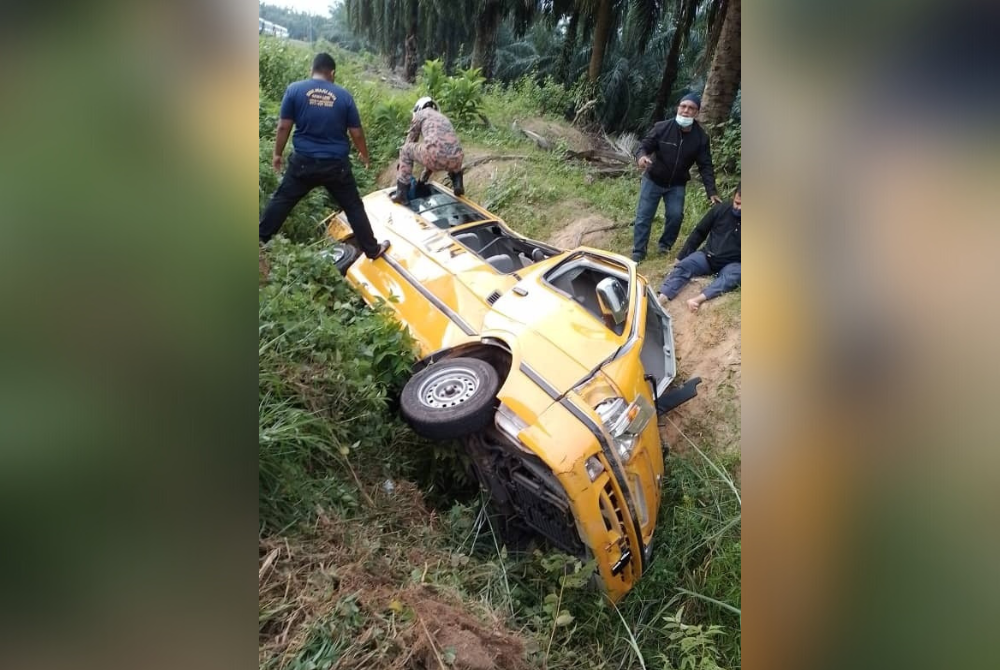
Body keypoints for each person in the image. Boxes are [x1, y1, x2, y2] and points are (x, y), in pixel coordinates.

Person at [259, 53, 389, 260]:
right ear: (332, 73)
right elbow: (356, 132)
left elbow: (284, 126)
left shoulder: (295, 90)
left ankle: (259, 240)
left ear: (313, 69)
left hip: (303, 163)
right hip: (336, 166)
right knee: (353, 206)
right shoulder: (344, 96)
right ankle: (372, 250)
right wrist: (364, 155)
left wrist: (277, 154)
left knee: (282, 199)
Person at [631, 93, 722, 262]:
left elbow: (705, 166)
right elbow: (644, 145)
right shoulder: (662, 127)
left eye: (691, 108)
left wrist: (711, 191)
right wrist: (641, 157)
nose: (686, 111)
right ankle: (638, 252)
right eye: (683, 106)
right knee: (644, 216)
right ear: (678, 108)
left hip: (676, 184)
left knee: (675, 216)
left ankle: (665, 246)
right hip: (653, 179)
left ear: (697, 113)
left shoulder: (700, 138)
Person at [658, 184, 741, 312]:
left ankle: (697, 299)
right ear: (733, 196)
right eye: (737, 203)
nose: (738, 207)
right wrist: (681, 257)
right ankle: (661, 299)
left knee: (735, 276)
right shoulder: (720, 209)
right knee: (685, 265)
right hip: (708, 257)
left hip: (732, 264)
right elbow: (699, 232)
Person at [390, 97, 465, 205]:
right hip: (457, 161)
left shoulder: (419, 115)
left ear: (419, 108)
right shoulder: (443, 118)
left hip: (435, 156)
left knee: (406, 149)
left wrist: (402, 165)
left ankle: (401, 194)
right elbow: (438, 151)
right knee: (443, 150)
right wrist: (422, 181)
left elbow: (410, 141)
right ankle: (458, 183)